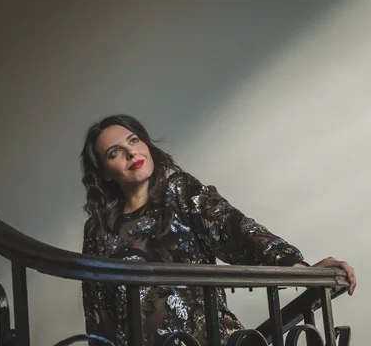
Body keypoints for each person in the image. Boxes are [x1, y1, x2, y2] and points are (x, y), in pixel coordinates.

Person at [80, 114, 356, 346]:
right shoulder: (98, 232)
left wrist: (300, 268)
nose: (131, 152)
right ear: (104, 171)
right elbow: (98, 314)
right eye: (114, 152)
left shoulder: (181, 191)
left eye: (134, 140)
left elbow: (235, 229)